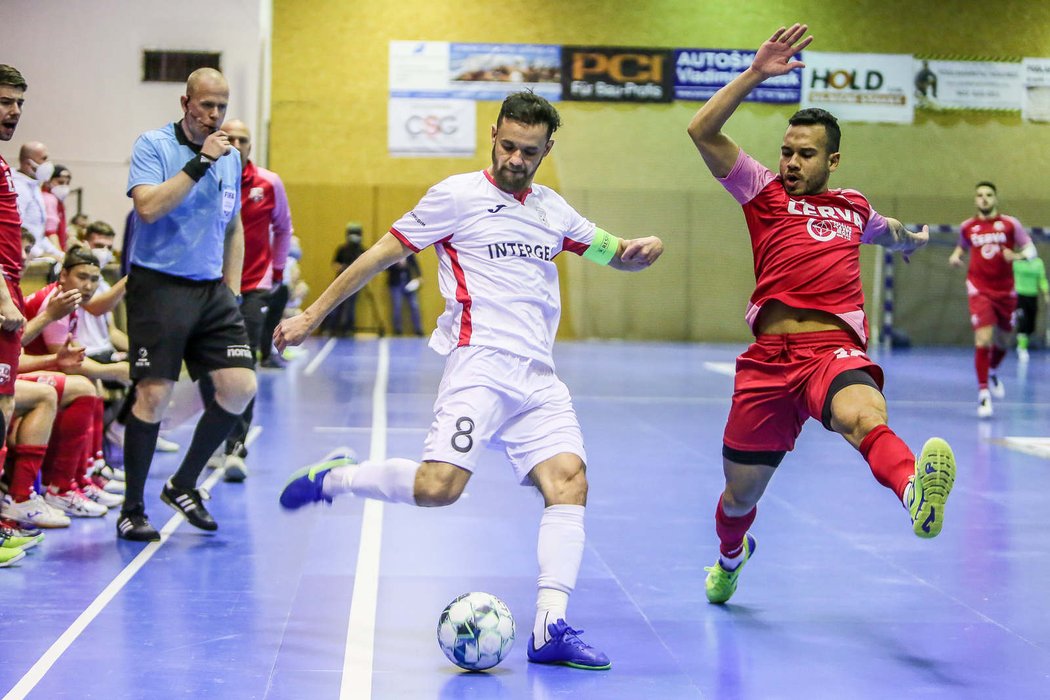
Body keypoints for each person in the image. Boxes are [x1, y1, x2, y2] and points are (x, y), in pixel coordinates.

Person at [275, 90, 663, 670]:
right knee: (439, 489)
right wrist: (311, 315)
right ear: (493, 136)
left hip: (538, 377)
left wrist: (641, 249)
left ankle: (550, 628)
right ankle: (339, 477)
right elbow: (377, 257)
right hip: (478, 366)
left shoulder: (554, 209)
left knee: (569, 482)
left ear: (546, 149)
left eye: (528, 151)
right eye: (507, 145)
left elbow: (615, 251)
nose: (515, 158)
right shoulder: (456, 196)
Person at [685, 25, 956, 605]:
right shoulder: (761, 191)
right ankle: (732, 557)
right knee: (738, 498)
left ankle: (915, 493)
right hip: (767, 363)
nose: (791, 162)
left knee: (865, 416)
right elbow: (701, 130)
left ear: (832, 159)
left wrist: (910, 241)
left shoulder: (852, 206)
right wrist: (756, 73)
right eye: (786, 151)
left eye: (805, 155)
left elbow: (891, 231)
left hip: (830, 355)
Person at [117, 67, 257, 541]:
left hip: (211, 290)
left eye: (222, 106)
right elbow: (149, 207)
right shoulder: (153, 145)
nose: (215, 115)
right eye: (206, 106)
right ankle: (132, 509)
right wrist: (198, 160)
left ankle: (183, 483)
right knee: (154, 395)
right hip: (159, 285)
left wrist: (233, 289)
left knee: (240, 388)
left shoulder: (232, 158)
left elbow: (233, 224)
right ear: (185, 103)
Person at [199, 118, 292, 481]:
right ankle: (214, 437)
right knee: (209, 365)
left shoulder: (269, 183)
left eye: (244, 139)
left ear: (251, 146)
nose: (237, 144)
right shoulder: (206, 178)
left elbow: (283, 228)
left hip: (254, 285)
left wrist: (279, 272)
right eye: (230, 138)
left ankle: (236, 445)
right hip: (209, 284)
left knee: (242, 363)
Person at [949, 182, 1035, 417]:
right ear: (975, 199)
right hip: (979, 288)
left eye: (988, 195)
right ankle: (984, 394)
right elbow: (961, 247)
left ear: (995, 198)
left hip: (1006, 291)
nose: (984, 199)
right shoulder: (968, 227)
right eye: (980, 195)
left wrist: (1017, 255)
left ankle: (993, 370)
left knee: (1005, 338)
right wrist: (956, 256)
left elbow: (1031, 250)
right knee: (983, 338)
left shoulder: (1010, 225)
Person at [321, 222, 366, 336]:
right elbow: (335, 263)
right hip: (340, 281)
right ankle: (330, 328)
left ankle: (348, 328)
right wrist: (343, 268)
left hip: (355, 282)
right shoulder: (342, 249)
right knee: (335, 304)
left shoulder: (362, 250)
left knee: (350, 306)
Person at [1012, 253, 1048, 362]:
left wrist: (1046, 293)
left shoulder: (1038, 263)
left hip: (1032, 296)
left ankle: (1023, 343)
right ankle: (1022, 348)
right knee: (1023, 322)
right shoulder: (1016, 262)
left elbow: (1042, 279)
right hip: (1019, 295)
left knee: (1030, 325)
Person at [387, 253, 423, 336]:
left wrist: (419, 276)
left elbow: (415, 264)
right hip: (396, 283)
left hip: (408, 282)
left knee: (414, 305)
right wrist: (397, 265)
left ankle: (418, 329)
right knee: (397, 306)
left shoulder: (409, 252)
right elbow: (386, 267)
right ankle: (397, 330)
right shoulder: (392, 253)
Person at [41, 164, 71, 251]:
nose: (64, 186)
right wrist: (61, 256)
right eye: (60, 182)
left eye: (67, 183)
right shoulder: (49, 199)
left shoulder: (59, 202)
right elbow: (50, 232)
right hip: (49, 249)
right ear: (47, 181)